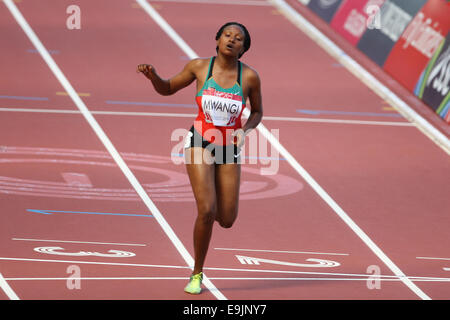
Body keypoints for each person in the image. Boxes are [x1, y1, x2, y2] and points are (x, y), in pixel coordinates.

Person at [137, 22, 263, 294]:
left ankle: (214, 197)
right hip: (200, 142)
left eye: (238, 38)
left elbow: (258, 112)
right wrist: (154, 76)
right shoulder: (199, 67)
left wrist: (246, 130)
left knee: (226, 218)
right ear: (217, 39)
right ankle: (197, 273)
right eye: (227, 35)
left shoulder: (250, 77)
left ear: (243, 49)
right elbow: (168, 88)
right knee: (206, 210)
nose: (232, 40)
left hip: (228, 146)